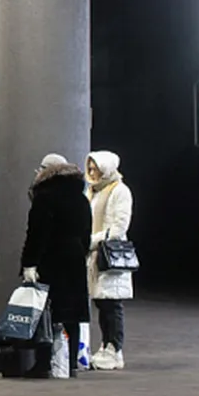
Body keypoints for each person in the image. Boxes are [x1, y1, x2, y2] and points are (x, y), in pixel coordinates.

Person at [21, 154, 92, 377]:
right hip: (75, 259)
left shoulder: (44, 197)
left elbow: (36, 234)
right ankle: (69, 363)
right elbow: (86, 234)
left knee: (45, 312)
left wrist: (29, 263)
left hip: (50, 260)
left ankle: (44, 363)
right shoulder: (81, 198)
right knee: (72, 313)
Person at [85, 150, 134, 371]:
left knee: (112, 304)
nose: (92, 172)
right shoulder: (93, 191)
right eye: (90, 168)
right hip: (95, 256)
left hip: (109, 256)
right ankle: (105, 346)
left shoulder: (120, 191)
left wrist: (91, 240)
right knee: (102, 304)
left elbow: (118, 227)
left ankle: (115, 349)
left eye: (95, 168)